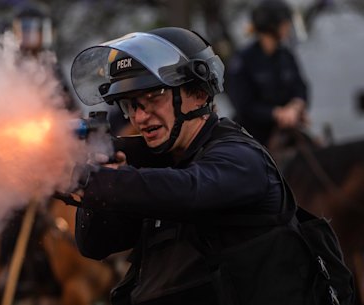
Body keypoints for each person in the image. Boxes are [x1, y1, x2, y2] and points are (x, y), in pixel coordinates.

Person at [67, 27, 353, 305]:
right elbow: (94, 244)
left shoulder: (241, 157)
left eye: (154, 97)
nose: (140, 116)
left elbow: (189, 190)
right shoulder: (161, 164)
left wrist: (106, 182)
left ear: (199, 94)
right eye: (131, 104)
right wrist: (92, 176)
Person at [226, 0, 309, 148]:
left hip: (286, 132)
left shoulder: (286, 55)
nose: (288, 27)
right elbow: (243, 104)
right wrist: (277, 113)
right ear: (272, 26)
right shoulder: (243, 59)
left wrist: (296, 107)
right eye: (285, 23)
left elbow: (301, 87)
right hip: (251, 136)